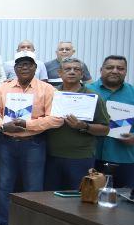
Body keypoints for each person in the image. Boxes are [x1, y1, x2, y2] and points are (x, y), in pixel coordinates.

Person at [0, 51, 64, 225]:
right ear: (14, 68)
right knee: (4, 185)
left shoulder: (47, 89)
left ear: (35, 68)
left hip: (34, 144)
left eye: (29, 65)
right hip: (6, 143)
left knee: (33, 187)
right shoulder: (4, 88)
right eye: (20, 65)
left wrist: (27, 125)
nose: (24, 68)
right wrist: (3, 125)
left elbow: (56, 119)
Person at [89, 55, 134, 188]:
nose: (115, 71)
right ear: (101, 69)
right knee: (87, 199)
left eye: (120, 68)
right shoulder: (87, 91)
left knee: (123, 203)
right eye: (110, 67)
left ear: (125, 71)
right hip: (90, 157)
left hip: (123, 158)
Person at [45, 58, 110, 191]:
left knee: (77, 199)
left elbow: (105, 129)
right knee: (49, 198)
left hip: (80, 157)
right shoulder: (50, 94)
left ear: (82, 74)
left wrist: (85, 126)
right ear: (59, 73)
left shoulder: (93, 97)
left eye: (77, 69)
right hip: (50, 156)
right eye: (67, 69)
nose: (72, 72)